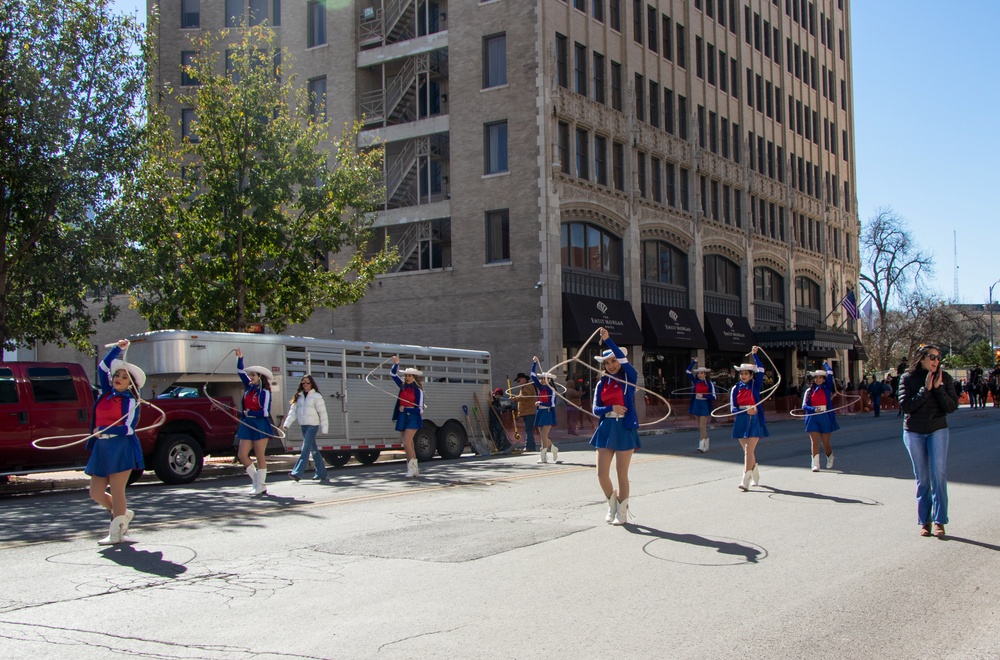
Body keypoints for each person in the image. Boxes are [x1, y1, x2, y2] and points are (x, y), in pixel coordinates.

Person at [87, 339, 145, 545]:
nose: (119, 379)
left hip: (121, 446)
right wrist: (117, 350)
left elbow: (129, 428)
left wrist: (103, 429)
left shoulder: (130, 401)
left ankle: (116, 533)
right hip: (102, 447)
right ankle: (123, 514)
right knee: (95, 492)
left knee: (117, 490)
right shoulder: (106, 393)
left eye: (124, 377)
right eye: (117, 375)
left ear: (131, 384)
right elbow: (103, 367)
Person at [898, 344, 958, 538]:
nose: (935, 361)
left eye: (938, 357)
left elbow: (951, 407)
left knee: (938, 473)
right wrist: (926, 389)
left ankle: (940, 520)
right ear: (922, 358)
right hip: (914, 431)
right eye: (932, 357)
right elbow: (906, 406)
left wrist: (938, 388)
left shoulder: (945, 378)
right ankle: (925, 521)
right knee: (922, 477)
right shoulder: (907, 378)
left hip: (937, 429)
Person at [590, 327, 639, 525]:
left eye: (614, 361)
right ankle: (612, 505)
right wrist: (612, 407)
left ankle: (623, 511)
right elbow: (595, 409)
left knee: (621, 473)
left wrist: (608, 340)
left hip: (624, 428)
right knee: (601, 473)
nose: (611, 365)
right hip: (606, 428)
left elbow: (625, 362)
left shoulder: (629, 378)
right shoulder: (602, 384)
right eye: (607, 363)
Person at [236, 348, 276, 496]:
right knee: (242, 454)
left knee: (260, 456)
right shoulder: (249, 387)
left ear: (260, 377)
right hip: (248, 424)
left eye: (253, 375)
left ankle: (260, 485)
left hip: (260, 424)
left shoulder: (265, 392)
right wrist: (240, 358)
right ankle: (257, 482)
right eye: (251, 374)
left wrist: (250, 413)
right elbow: (240, 372)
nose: (251, 377)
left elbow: (265, 411)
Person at [731, 347, 768, 491]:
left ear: (751, 375)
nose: (743, 376)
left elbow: (762, 370)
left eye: (746, 373)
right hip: (741, 419)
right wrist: (743, 410)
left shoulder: (755, 385)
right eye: (741, 373)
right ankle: (754, 470)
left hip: (754, 419)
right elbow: (733, 408)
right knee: (747, 451)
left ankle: (745, 479)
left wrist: (754, 355)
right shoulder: (735, 388)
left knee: (748, 449)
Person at [283, 374, 330, 483]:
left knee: (305, 449)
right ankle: (321, 473)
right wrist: (287, 424)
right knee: (314, 450)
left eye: (307, 382)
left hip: (313, 425)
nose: (305, 384)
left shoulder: (316, 396)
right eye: (303, 382)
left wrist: (324, 429)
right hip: (303, 425)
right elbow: (293, 412)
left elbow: (323, 413)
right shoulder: (299, 396)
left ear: (311, 384)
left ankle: (297, 473)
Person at [391, 356, 424, 477]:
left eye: (410, 376)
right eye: (406, 376)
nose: (407, 378)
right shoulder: (403, 386)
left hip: (413, 418)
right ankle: (414, 469)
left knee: (406, 442)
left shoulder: (418, 391)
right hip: (402, 417)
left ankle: (410, 468)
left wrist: (406, 408)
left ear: (414, 377)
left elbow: (420, 409)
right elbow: (393, 375)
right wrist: (396, 364)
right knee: (409, 444)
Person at [802, 363, 839, 471]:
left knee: (825, 443)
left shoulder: (827, 389)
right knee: (814, 442)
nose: (818, 380)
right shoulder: (809, 391)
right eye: (816, 378)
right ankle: (815, 464)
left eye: (820, 378)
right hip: (813, 417)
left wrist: (826, 365)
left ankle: (830, 456)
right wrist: (813, 409)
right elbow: (804, 405)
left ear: (824, 379)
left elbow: (830, 373)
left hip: (824, 416)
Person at [530, 357, 559, 464]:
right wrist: (535, 363)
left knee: (543, 436)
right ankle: (553, 449)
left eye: (544, 378)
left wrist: (540, 403)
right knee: (542, 435)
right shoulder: (540, 387)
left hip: (547, 413)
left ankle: (543, 456)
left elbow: (552, 404)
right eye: (542, 378)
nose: (542, 380)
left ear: (549, 380)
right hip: (540, 413)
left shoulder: (552, 390)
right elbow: (532, 375)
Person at [685, 358, 716, 453]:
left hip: (704, 405)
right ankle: (706, 443)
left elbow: (713, 397)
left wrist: (704, 395)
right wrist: (694, 362)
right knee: (700, 426)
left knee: (702, 426)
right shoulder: (696, 382)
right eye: (698, 373)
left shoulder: (709, 384)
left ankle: (702, 445)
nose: (700, 375)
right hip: (697, 404)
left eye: (701, 373)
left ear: (705, 374)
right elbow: (687, 371)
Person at [511, 372, 537, 452]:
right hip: (527, 411)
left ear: (524, 379)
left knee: (528, 429)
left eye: (519, 380)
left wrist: (515, 398)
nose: (518, 382)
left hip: (529, 411)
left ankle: (529, 447)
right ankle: (530, 446)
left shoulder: (528, 386)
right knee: (528, 429)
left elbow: (525, 397)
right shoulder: (525, 387)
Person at [488, 388, 512, 453]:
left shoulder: (497, 401)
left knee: (500, 431)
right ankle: (499, 446)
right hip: (494, 419)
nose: (500, 397)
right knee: (497, 432)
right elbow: (493, 408)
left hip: (497, 418)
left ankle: (501, 446)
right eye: (499, 395)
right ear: (497, 394)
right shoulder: (493, 400)